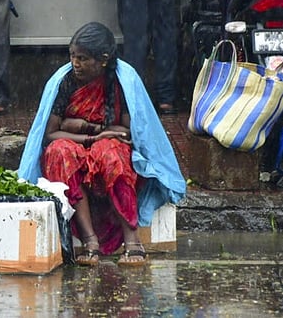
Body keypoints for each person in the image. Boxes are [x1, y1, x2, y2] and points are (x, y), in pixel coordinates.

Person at [17, 22, 185, 266]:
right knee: (59, 152)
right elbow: (51, 134)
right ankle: (89, 240)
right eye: (73, 56)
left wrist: (94, 134)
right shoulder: (64, 82)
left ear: (103, 60)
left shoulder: (122, 81)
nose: (76, 63)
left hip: (108, 150)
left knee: (110, 153)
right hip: (76, 148)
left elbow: (129, 132)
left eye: (83, 58)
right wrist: (91, 134)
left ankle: (132, 240)